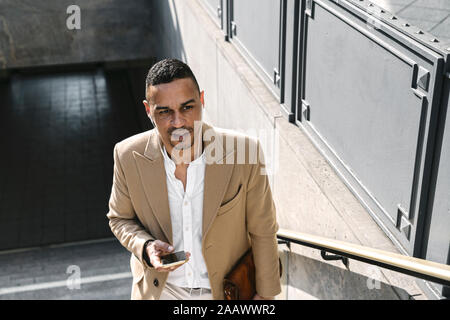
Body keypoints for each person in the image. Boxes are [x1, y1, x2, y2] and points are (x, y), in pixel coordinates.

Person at [106, 58, 281, 300]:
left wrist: (266, 295)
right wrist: (145, 246)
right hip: (161, 293)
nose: (178, 122)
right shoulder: (127, 156)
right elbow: (119, 219)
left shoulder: (244, 152)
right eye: (165, 111)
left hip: (226, 294)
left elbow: (263, 229)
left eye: (187, 107)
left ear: (202, 100)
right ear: (148, 110)